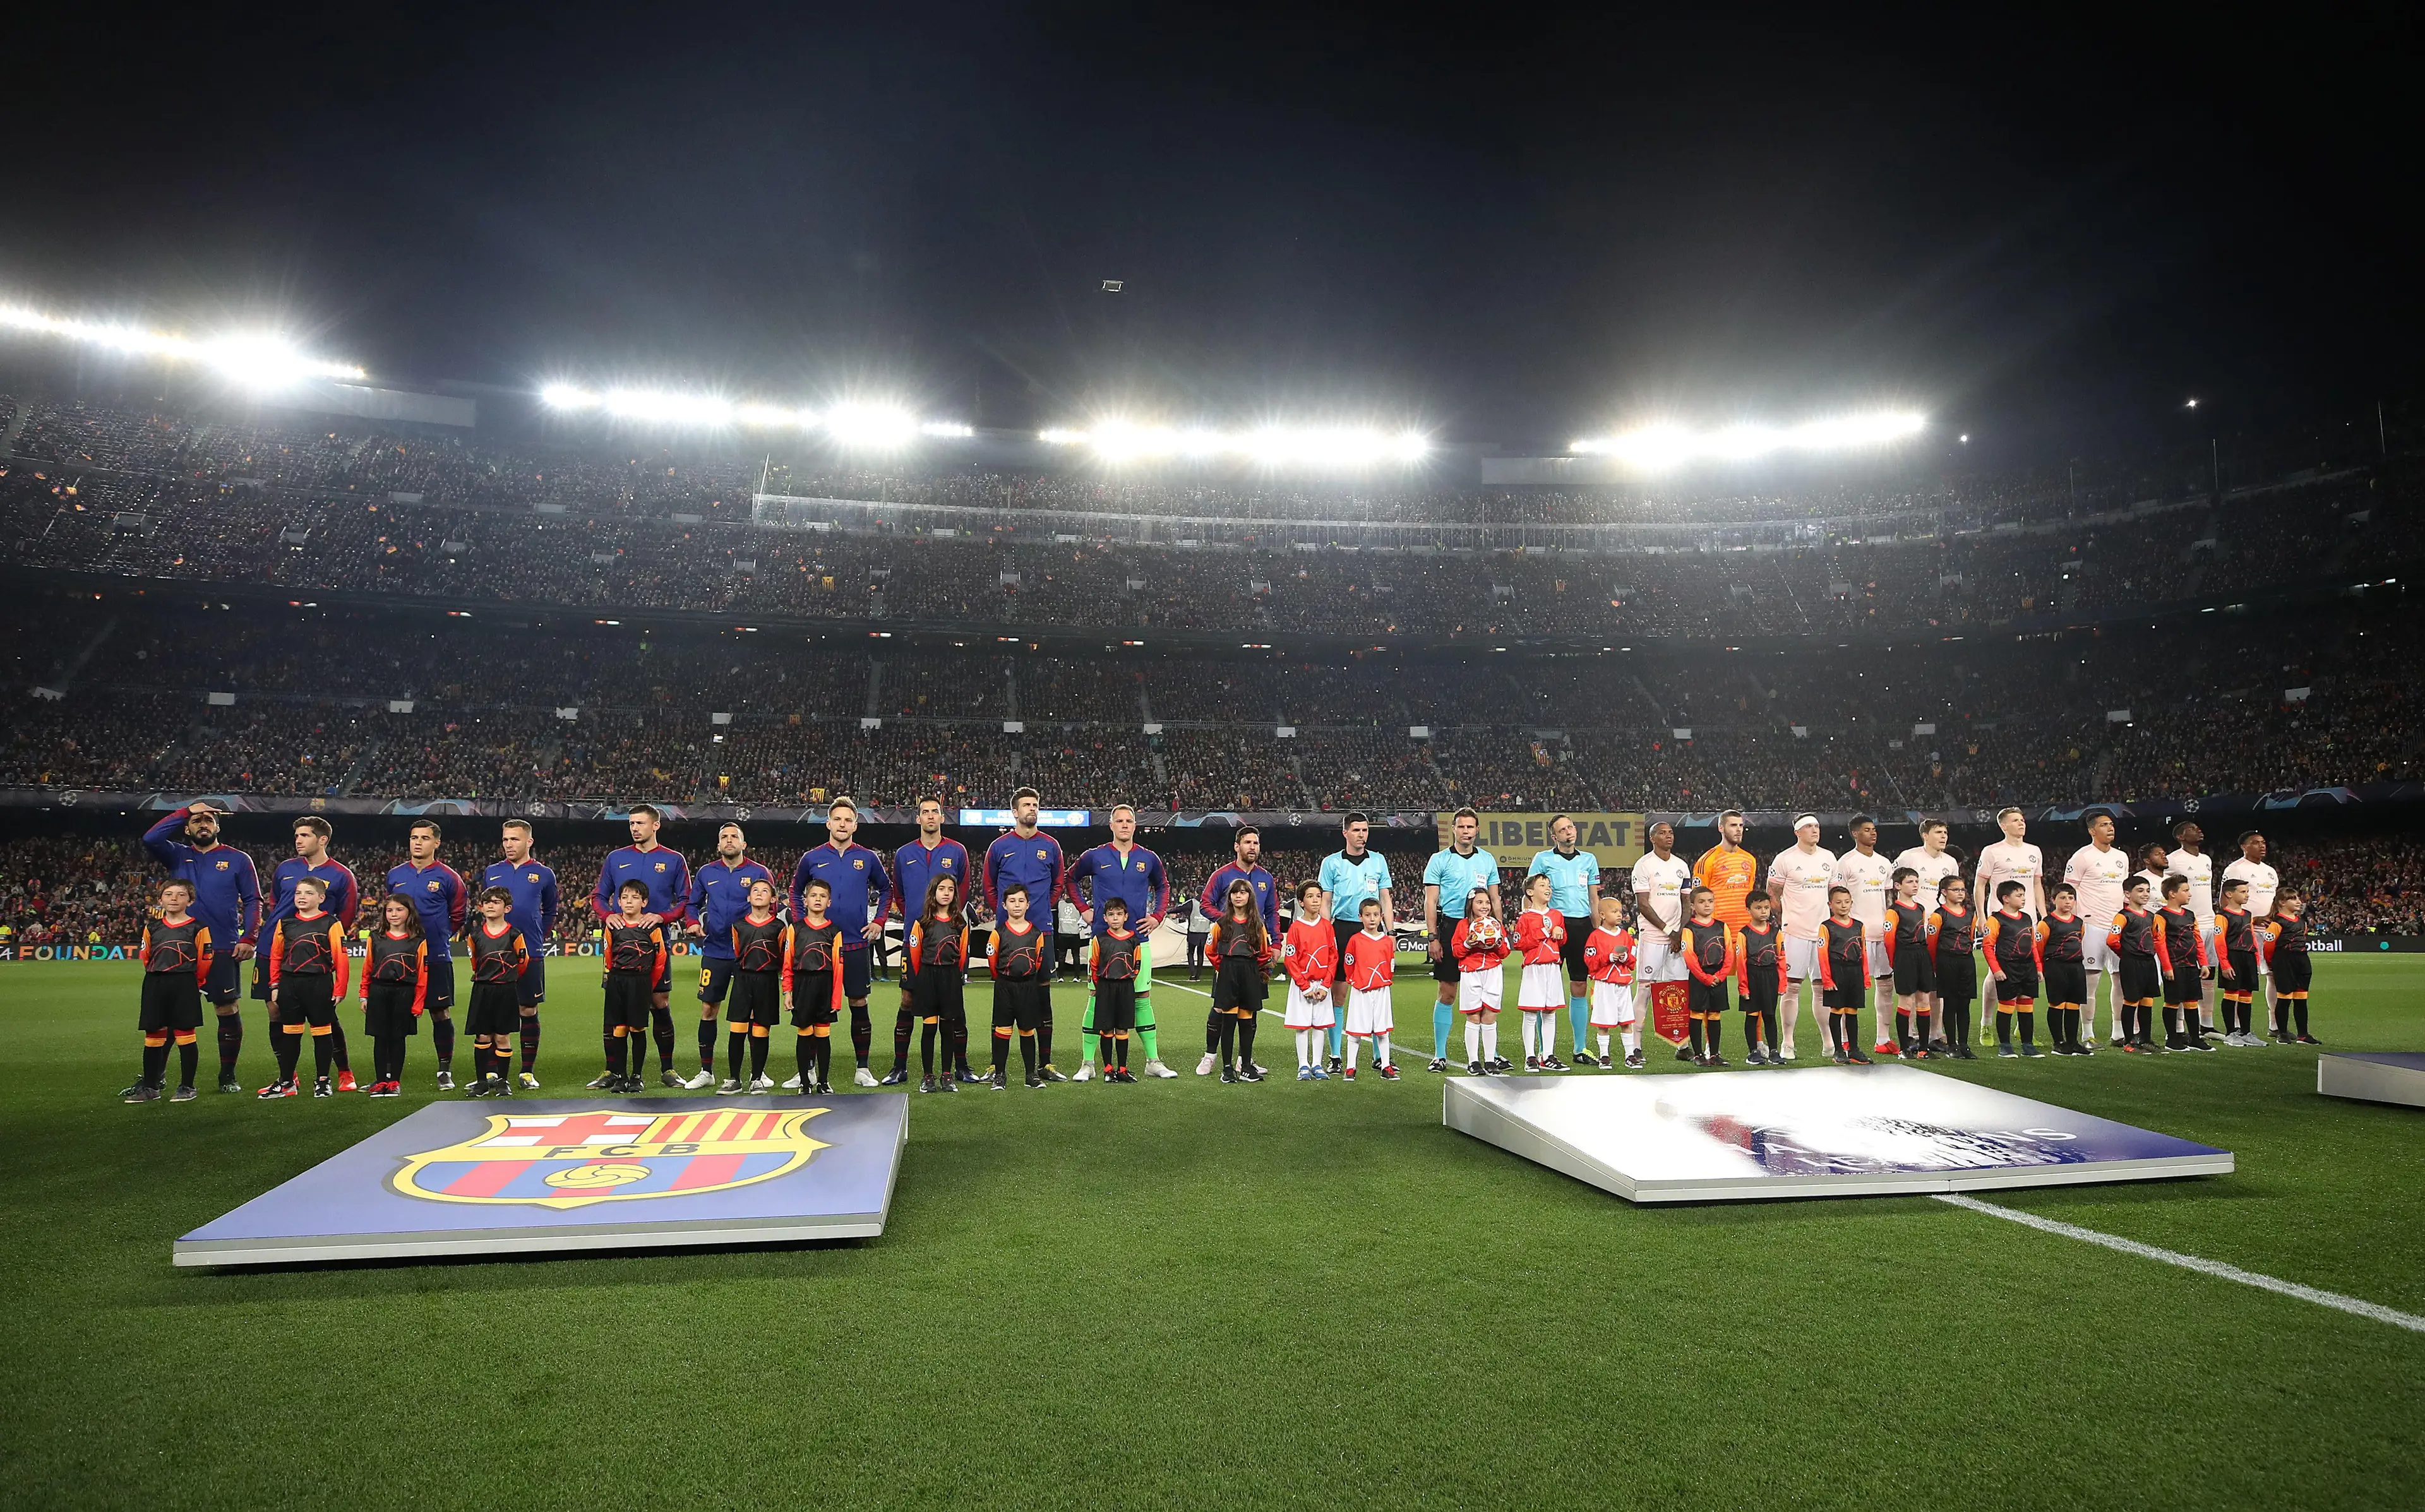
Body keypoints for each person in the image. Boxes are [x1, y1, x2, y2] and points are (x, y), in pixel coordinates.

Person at [141, 802, 261, 1093]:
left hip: (222, 945)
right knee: (169, 1015)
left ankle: (227, 1075)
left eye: (209, 820)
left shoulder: (238, 859)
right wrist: (186, 810)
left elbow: (253, 901)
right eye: (197, 821)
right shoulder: (178, 854)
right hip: (179, 945)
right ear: (187, 828)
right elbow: (150, 838)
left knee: (226, 1008)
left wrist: (249, 938)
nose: (203, 824)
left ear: (218, 827)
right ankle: (155, 1077)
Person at [1067, 804, 1177, 1080]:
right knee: (1095, 1000)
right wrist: (1084, 909)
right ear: (1112, 826)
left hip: (1139, 939)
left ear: (1135, 826)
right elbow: (1071, 879)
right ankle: (1088, 1064)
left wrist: (1158, 916)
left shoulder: (1148, 858)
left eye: (1129, 821)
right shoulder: (1095, 856)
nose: (1125, 825)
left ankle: (1153, 1060)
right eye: (1120, 821)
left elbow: (1163, 886)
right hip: (1103, 942)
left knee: (1142, 1000)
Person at [258, 817, 361, 1091]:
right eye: (297, 835)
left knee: (325, 1016)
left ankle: (343, 1072)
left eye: (305, 835)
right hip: (275, 947)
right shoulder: (285, 869)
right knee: (275, 1010)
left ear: (322, 839)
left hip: (314, 955)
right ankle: (287, 1077)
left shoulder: (341, 874)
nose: (298, 840)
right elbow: (275, 902)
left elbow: (346, 916)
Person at [797, 797, 894, 1085]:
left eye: (848, 820)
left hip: (854, 943)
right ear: (828, 823)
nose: (842, 824)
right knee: (814, 1006)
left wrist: (878, 921)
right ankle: (809, 1069)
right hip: (820, 946)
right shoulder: (812, 858)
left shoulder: (867, 858)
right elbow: (795, 890)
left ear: (855, 825)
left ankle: (862, 1069)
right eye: (837, 819)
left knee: (859, 1002)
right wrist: (802, 924)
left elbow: (887, 890)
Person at [592, 806, 690, 1086]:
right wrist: (607, 915)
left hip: (655, 942)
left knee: (659, 1002)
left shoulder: (673, 859)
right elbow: (599, 895)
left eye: (640, 823)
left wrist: (663, 916)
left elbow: (686, 899)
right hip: (620, 943)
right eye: (632, 823)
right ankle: (612, 1071)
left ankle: (667, 1069)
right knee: (615, 1005)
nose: (635, 828)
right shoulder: (616, 858)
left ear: (656, 826)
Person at [981, 787, 1063, 1078]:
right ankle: (996, 1065)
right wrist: (1004, 913)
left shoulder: (1051, 846)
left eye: (1035, 804)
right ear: (1015, 812)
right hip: (1007, 934)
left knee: (1043, 998)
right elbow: (989, 885)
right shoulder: (1000, 846)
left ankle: (1045, 1064)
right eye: (1026, 805)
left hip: (1041, 930)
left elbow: (1057, 884)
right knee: (1002, 998)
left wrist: (1041, 908)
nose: (1032, 808)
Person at [690, 822, 775, 1089]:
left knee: (752, 1014)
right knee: (708, 1009)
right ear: (718, 845)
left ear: (744, 844)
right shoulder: (706, 872)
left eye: (734, 837)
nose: (729, 841)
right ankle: (707, 1071)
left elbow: (772, 905)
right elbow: (693, 903)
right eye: (724, 837)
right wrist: (693, 921)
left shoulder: (759, 872)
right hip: (715, 951)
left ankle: (756, 1075)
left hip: (748, 955)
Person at [386, 818, 469, 1088]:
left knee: (440, 1013)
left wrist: (440, 933)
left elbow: (458, 915)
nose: (418, 843)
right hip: (399, 957)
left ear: (436, 843)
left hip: (435, 956)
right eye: (414, 838)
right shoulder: (396, 875)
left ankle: (444, 1070)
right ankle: (390, 1074)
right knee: (395, 1015)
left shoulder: (449, 877)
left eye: (424, 838)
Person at [1321, 812, 1401, 1076]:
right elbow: (1326, 901)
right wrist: (1325, 933)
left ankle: (1380, 1057)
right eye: (1356, 830)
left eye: (1365, 830)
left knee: (1378, 992)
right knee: (1339, 993)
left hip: (1374, 932)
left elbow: (1386, 899)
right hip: (1343, 928)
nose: (1362, 835)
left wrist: (1390, 931)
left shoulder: (1378, 861)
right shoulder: (1332, 863)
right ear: (1345, 833)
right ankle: (1335, 1055)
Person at [484, 820, 560, 1092]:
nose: (508, 845)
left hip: (530, 952)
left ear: (529, 842)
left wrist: (538, 935)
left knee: (528, 1009)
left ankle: (527, 1072)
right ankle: (492, 1072)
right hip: (495, 953)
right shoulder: (492, 872)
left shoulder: (544, 874)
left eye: (514, 840)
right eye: (505, 840)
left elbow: (551, 910)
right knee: (493, 1013)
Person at [123, 879, 210, 1103]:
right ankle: (151, 1087)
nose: (174, 898)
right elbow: (146, 956)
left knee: (185, 1035)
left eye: (181, 895)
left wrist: (195, 981)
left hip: (185, 983)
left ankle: (187, 1087)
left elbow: (205, 959)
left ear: (190, 901)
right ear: (160, 899)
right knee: (153, 1035)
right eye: (169, 894)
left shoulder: (198, 928)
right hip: (155, 983)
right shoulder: (152, 927)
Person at [262, 876, 349, 1098]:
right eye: (299, 893)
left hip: (319, 983)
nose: (302, 897)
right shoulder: (286, 923)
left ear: (321, 898)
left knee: (322, 1034)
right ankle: (287, 1082)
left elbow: (341, 958)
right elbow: (276, 956)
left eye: (308, 893)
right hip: (290, 985)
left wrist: (340, 989)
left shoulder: (331, 923)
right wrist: (274, 984)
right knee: (290, 1035)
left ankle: (323, 1081)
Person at [1528, 814, 1604, 1064]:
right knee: (1547, 989)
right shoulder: (1543, 859)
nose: (1569, 832)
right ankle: (1544, 1050)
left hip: (1582, 926)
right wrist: (1534, 923)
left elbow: (1594, 899)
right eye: (1562, 830)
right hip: (1554, 926)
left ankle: (1580, 1048)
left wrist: (1597, 931)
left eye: (1570, 827)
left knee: (1579, 986)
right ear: (1554, 836)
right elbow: (1531, 895)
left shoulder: (1589, 860)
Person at [1766, 814, 1836, 1061]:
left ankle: (1829, 1042)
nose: (1815, 830)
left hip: (1822, 933)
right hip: (1794, 931)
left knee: (1822, 989)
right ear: (1797, 832)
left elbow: (1834, 893)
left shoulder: (1828, 857)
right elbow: (1772, 894)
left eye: (1817, 826)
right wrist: (1783, 921)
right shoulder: (1785, 859)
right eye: (1809, 826)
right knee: (1791, 988)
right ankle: (1788, 1042)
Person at [2062, 810, 2131, 1049]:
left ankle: (2118, 1032)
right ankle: (2088, 1034)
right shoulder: (2081, 857)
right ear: (2092, 831)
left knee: (2121, 981)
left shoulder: (2122, 857)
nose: (2110, 828)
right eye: (2104, 825)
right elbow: (2068, 892)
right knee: (2090, 982)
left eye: (2111, 824)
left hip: (2117, 927)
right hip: (2091, 925)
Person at [1891, 818, 1961, 1052]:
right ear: (1925, 835)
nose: (1943, 836)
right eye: (1938, 832)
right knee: (1912, 989)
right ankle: (1911, 1035)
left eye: (1945, 832)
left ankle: (1935, 1034)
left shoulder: (1951, 862)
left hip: (1943, 929)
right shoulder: (1909, 857)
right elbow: (1891, 888)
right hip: (1914, 932)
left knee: (1934, 986)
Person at [1830, 815, 1896, 1057]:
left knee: (1886, 985)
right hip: (1856, 935)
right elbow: (1838, 896)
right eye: (1867, 830)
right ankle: (1846, 1041)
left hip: (1882, 932)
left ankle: (1883, 1038)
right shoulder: (1845, 863)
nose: (1873, 833)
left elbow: (1889, 898)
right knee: (1850, 988)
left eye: (1874, 829)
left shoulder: (1884, 863)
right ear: (1855, 834)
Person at [718, 879, 790, 1093]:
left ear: (773, 899)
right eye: (755, 891)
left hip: (767, 981)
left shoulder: (779, 927)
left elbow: (781, 956)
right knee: (738, 1030)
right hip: (743, 980)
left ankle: (757, 1078)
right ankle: (734, 1079)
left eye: (765, 891)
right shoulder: (738, 926)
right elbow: (738, 951)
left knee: (761, 1031)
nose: (759, 894)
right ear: (748, 898)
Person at [596, 880, 668, 1093]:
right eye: (625, 897)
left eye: (635, 897)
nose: (629, 901)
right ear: (618, 901)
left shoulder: (652, 929)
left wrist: (648, 983)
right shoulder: (612, 927)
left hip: (641, 981)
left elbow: (660, 958)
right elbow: (608, 957)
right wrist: (616, 976)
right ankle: (621, 1076)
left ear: (644, 902)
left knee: (637, 1028)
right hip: (618, 981)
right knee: (619, 1029)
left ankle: (637, 1076)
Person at [462, 885, 532, 1097]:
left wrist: (506, 978)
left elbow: (523, 962)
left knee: (502, 1036)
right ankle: (482, 1082)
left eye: (496, 902)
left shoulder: (514, 934)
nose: (491, 906)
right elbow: (475, 962)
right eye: (487, 902)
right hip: (482, 990)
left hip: (506, 990)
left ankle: (503, 1081)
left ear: (507, 908)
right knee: (482, 1036)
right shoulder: (474, 936)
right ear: (481, 908)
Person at [1631, 821, 1692, 1059]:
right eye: (1662, 833)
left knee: (1678, 989)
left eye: (1671, 833)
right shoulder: (1644, 865)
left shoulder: (1681, 866)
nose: (1668, 837)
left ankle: (1682, 1046)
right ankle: (1635, 1045)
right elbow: (1643, 905)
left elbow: (1686, 903)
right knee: (1646, 987)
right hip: (1654, 936)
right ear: (1652, 838)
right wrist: (1669, 930)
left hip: (1676, 938)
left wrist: (1680, 931)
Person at [906, 874, 973, 1093]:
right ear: (933, 892)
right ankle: (928, 1076)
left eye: (951, 889)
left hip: (950, 979)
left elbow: (962, 956)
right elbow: (915, 956)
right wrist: (923, 979)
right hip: (928, 978)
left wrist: (953, 975)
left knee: (948, 1029)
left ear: (955, 894)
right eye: (942, 889)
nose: (946, 893)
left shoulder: (960, 923)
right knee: (929, 1029)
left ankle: (947, 1075)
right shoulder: (922, 922)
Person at [359, 894, 430, 1097]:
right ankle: (381, 1080)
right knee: (380, 1038)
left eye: (399, 910)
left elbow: (422, 973)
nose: (394, 914)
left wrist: (418, 1003)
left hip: (404, 992)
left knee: (398, 1038)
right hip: (379, 991)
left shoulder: (418, 940)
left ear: (409, 912)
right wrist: (364, 994)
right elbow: (367, 968)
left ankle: (394, 1082)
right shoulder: (375, 937)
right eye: (390, 910)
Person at [985, 883, 1053, 1088]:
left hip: (1028, 987)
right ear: (1004, 905)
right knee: (1003, 1031)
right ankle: (1000, 1075)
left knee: (1027, 1031)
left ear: (1028, 904)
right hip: (1005, 987)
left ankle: (1031, 1075)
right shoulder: (998, 933)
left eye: (1021, 901)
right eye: (1012, 901)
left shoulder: (1036, 934)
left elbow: (1039, 961)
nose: (1017, 905)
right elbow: (992, 961)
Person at [1206, 878, 1272, 1083]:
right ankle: (1227, 1069)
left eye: (1243, 892)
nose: (1239, 896)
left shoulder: (1257, 925)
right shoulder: (1221, 924)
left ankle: (1245, 1067)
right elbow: (1211, 950)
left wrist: (1252, 968)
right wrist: (1224, 968)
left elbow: (1265, 952)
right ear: (1230, 897)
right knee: (1229, 1022)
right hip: (1228, 972)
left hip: (1250, 971)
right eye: (1235, 893)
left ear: (1250, 897)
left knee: (1246, 1022)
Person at [784, 879, 846, 1094]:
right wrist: (787, 991)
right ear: (806, 900)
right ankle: (804, 1082)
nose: (818, 899)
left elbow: (838, 967)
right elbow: (788, 962)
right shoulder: (796, 928)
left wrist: (836, 999)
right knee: (804, 1033)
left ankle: (823, 1082)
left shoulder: (834, 931)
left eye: (823, 896)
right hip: (802, 985)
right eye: (814, 895)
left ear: (829, 902)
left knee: (823, 1035)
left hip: (825, 985)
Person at [2221, 831, 2280, 1045]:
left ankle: (2274, 1025)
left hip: (2271, 930)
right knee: (2242, 980)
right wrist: (2251, 921)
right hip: (2246, 931)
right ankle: (2237, 1029)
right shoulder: (2235, 869)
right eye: (2256, 843)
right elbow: (2224, 903)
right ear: (2244, 847)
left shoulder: (2270, 871)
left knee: (2273, 975)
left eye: (2264, 842)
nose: (2262, 846)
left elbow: (2274, 900)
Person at [1511, 872, 1569, 1072]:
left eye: (1549, 885)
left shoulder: (1557, 916)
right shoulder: (1526, 917)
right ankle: (1530, 1057)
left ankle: (1548, 1055)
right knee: (1531, 1013)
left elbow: (1562, 940)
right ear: (1530, 892)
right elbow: (1518, 942)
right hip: (1534, 968)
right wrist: (1544, 933)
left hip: (1552, 967)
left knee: (1550, 1011)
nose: (1548, 888)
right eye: (1542, 885)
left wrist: (1560, 935)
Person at [1281, 880, 1338, 1081]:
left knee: (1320, 1026)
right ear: (1301, 902)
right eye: (1310, 896)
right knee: (1303, 1026)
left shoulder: (1327, 927)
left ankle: (1317, 1065)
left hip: (1322, 985)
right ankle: (1303, 1065)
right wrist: (1304, 987)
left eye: (1318, 896)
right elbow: (1291, 958)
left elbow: (1333, 957)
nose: (1315, 900)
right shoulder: (1296, 928)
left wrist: (1325, 985)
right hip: (1302, 986)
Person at [1450, 886, 1511, 1074]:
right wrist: (1470, 942)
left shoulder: (1497, 925)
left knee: (1490, 1015)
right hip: (1471, 972)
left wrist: (1498, 943)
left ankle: (1491, 1061)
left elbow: (1505, 952)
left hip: (1493, 972)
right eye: (1479, 902)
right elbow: (1456, 951)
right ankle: (1473, 1062)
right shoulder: (1463, 926)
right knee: (1474, 1015)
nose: (1484, 906)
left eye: (1487, 902)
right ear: (1471, 905)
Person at [1982, 881, 2046, 1057]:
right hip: (2008, 968)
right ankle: (2005, 1046)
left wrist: (2038, 967)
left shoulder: (2026, 918)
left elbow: (2033, 945)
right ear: (2006, 899)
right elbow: (1988, 947)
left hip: (2028, 968)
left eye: (2024, 895)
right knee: (2007, 1007)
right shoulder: (1995, 920)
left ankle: (2027, 1045)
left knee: (2027, 1007)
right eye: (2019, 895)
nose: (2024, 898)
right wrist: (1996, 970)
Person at [2170, 820, 2220, 1041]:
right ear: (2181, 836)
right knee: (2185, 975)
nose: (2199, 830)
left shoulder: (2207, 860)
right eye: (2192, 829)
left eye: (2199, 827)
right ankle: (2180, 1028)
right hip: (2187, 924)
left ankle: (2206, 1024)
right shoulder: (2173, 860)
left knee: (2209, 975)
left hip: (2209, 921)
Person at [1339, 898, 1399, 1080]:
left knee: (1382, 1030)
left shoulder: (1387, 941)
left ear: (1382, 917)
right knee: (1355, 1031)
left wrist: (1386, 980)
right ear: (1360, 917)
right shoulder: (1356, 940)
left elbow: (1390, 963)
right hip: (1361, 990)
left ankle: (1386, 1066)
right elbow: (1349, 963)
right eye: (1367, 915)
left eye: (1375, 915)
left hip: (1381, 990)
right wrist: (1355, 981)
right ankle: (1351, 1068)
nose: (1372, 919)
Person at [1087, 896, 1146, 1083]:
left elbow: (1137, 966)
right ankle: (1108, 1069)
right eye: (1111, 915)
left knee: (1122, 1029)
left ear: (1125, 917)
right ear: (1105, 918)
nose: (1115, 918)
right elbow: (1094, 964)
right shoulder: (1100, 939)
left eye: (1119, 914)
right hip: (1105, 987)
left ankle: (1122, 1069)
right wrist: (1101, 986)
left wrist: (1126, 980)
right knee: (1107, 1030)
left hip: (1125, 988)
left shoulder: (1133, 940)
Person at [1679, 884, 1736, 1067]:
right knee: (1696, 1013)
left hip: (1718, 975)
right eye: (1702, 902)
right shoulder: (1690, 929)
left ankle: (1715, 1054)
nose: (1707, 905)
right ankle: (1698, 1054)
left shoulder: (1722, 926)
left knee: (1715, 1014)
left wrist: (1722, 975)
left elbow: (1729, 953)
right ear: (1693, 906)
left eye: (1710, 901)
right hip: (1699, 976)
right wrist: (1705, 978)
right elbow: (1689, 956)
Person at [2153, 874, 2212, 1052]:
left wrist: (2204, 962)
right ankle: (2172, 1040)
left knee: (2192, 1002)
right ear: (2172, 894)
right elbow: (2159, 942)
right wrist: (2167, 967)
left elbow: (2198, 940)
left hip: (2191, 965)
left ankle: (2194, 1039)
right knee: (2172, 1002)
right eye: (2185, 891)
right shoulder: (2161, 916)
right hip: (2175, 966)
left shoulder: (2190, 915)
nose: (2190, 894)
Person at [1883, 866, 1935, 1058]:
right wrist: (1894, 961)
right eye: (1910, 882)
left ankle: (1923, 1048)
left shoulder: (1921, 908)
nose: (1915, 885)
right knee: (1906, 1001)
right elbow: (1889, 939)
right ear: (1898, 886)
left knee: (1924, 999)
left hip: (1922, 953)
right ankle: (1904, 1048)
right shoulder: (1894, 911)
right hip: (1904, 955)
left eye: (1916, 881)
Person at [1581, 896, 1639, 1068]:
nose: (1619, 915)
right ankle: (1604, 1056)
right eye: (1614, 912)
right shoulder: (1595, 937)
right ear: (1603, 915)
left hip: (1622, 983)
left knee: (1627, 1021)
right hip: (1604, 984)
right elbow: (1589, 960)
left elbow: (1633, 961)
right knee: (1603, 1021)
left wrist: (1625, 957)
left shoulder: (1625, 936)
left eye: (1620, 911)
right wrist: (1609, 958)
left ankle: (1630, 1055)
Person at [1817, 886, 1872, 1064]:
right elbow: (1822, 954)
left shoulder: (1859, 926)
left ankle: (1854, 1049)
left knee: (1852, 1010)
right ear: (1830, 905)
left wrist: (1865, 976)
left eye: (1847, 902)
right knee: (1837, 1009)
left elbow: (1863, 951)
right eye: (1839, 902)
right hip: (1836, 971)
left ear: (1851, 903)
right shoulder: (1826, 927)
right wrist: (1827, 979)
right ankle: (1839, 1051)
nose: (1843, 906)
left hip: (1854, 971)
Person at [2108, 875, 2162, 1053]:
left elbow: (2155, 938)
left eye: (2148, 890)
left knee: (2147, 1001)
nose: (2146, 894)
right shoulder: (2123, 916)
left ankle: (2145, 1038)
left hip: (2149, 962)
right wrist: (2126, 954)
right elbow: (2112, 940)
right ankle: (2129, 1042)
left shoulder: (2151, 916)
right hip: (2132, 963)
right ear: (2127, 894)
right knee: (2131, 1000)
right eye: (2140, 890)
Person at [1927, 876, 1979, 1059]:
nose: (1960, 893)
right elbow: (1932, 943)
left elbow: (1971, 937)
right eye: (1955, 890)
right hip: (1946, 962)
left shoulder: (1970, 914)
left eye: (1963, 890)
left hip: (1966, 962)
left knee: (1965, 1004)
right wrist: (1935, 966)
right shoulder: (1938, 915)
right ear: (1944, 892)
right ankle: (1951, 1044)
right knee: (1950, 1004)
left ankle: (1964, 1044)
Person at [1735, 888, 1787, 1066]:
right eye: (1758, 908)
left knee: (1770, 1016)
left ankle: (1774, 1051)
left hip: (1770, 976)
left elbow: (1781, 958)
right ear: (1748, 910)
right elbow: (1741, 962)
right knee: (1752, 1015)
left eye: (1766, 907)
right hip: (1752, 975)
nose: (1764, 911)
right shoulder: (1744, 934)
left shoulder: (1776, 932)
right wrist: (1743, 987)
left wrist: (1782, 984)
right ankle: (1753, 1052)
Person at [2260, 886, 2318, 1044]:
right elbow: (2268, 946)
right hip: (2285, 962)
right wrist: (2273, 964)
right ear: (2282, 903)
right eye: (2294, 898)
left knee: (2301, 999)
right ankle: (2282, 1033)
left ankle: (2303, 1034)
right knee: (2284, 999)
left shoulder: (2301, 922)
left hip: (2302, 962)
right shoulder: (2277, 923)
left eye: (2298, 898)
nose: (2299, 901)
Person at [1973, 807, 2047, 922]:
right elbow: (1980, 885)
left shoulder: (2035, 851)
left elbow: (2037, 885)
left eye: (2022, 820)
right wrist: (1981, 916)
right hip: (2000, 916)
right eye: (2015, 821)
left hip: (2029, 916)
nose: (2021, 824)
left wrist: (2044, 915)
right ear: (2004, 827)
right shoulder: (1991, 851)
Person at [2215, 877, 2263, 1046]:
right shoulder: (2223, 916)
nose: (2247, 895)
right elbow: (2219, 941)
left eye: (2247, 892)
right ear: (2229, 894)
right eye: (2243, 892)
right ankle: (2230, 1033)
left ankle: (2245, 1032)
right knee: (2231, 993)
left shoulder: (2248, 915)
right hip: (2233, 956)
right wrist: (2225, 964)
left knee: (2247, 994)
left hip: (2248, 957)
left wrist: (2257, 960)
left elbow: (2252, 938)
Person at [2039, 883, 2085, 1055]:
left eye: (2071, 898)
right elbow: (2040, 947)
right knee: (2057, 1004)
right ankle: (2058, 1042)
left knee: (2074, 1005)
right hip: (2056, 966)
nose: (2068, 902)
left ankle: (2073, 1042)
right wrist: (2042, 969)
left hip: (2076, 967)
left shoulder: (2079, 922)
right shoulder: (2047, 923)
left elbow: (2080, 940)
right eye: (2063, 898)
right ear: (2053, 900)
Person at [1186, 896, 1212, 978]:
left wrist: (1168, 911)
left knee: (1190, 953)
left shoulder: (1193, 902)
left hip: (1193, 932)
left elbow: (1181, 908)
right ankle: (1198, 974)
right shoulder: (1209, 903)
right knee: (1200, 954)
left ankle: (1193, 973)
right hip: (1204, 932)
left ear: (1196, 893)